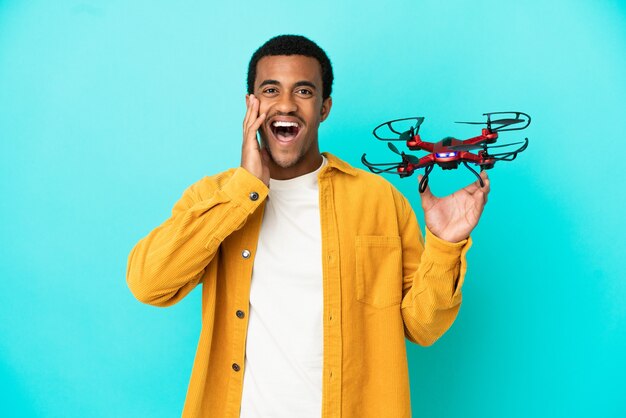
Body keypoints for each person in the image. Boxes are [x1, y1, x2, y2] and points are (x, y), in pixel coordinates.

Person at [126, 34, 490, 418]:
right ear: (251, 105)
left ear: (324, 107)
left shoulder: (378, 200)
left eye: (303, 91)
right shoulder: (213, 197)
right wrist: (242, 192)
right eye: (270, 90)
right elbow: (149, 284)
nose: (285, 104)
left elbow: (423, 327)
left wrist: (446, 244)